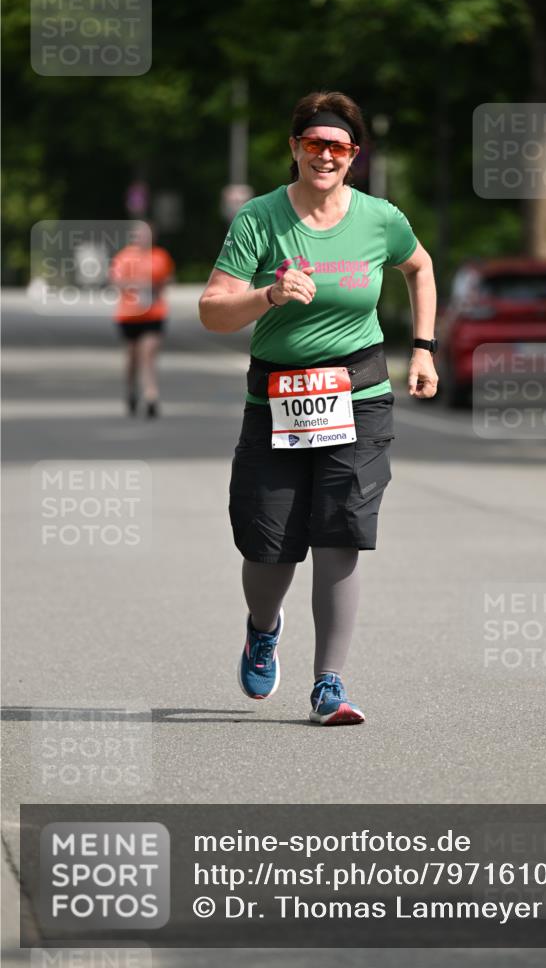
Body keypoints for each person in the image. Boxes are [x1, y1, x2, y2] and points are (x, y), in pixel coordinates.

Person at [199, 91, 438, 725]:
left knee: (341, 536)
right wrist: (269, 295)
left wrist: (422, 350)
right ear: (295, 148)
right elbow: (212, 310)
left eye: (339, 147)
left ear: (354, 156)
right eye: (314, 144)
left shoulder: (380, 218)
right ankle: (262, 626)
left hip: (358, 396)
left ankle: (329, 684)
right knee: (269, 546)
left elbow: (420, 267)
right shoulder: (260, 218)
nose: (326, 156)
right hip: (277, 398)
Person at [110, 222, 174, 418]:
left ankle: (151, 395)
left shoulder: (160, 256)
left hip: (154, 313)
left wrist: (155, 287)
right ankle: (131, 391)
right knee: (132, 356)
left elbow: (168, 278)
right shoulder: (124, 257)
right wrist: (137, 284)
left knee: (148, 353)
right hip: (129, 315)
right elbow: (115, 280)